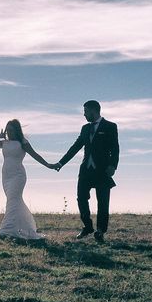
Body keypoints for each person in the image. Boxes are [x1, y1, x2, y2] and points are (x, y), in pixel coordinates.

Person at [50, 100, 119, 243]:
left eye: (85, 111)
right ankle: (87, 227)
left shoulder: (110, 126)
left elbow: (115, 148)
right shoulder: (85, 129)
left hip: (103, 170)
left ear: (93, 110)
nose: (84, 114)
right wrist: (61, 163)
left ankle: (100, 231)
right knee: (81, 198)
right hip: (86, 170)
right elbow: (75, 147)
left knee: (103, 202)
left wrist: (113, 166)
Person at [0, 119, 55, 241]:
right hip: (6, 176)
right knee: (13, 201)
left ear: (17, 130)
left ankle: (5, 231)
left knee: (13, 200)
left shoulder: (23, 142)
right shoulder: (5, 142)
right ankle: (19, 229)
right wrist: (0, 135)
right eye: (8, 130)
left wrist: (48, 165)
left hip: (18, 176)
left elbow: (35, 155)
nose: (9, 132)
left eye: (12, 130)